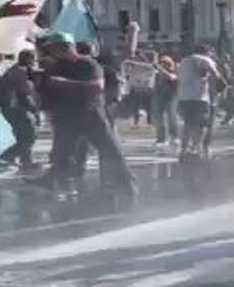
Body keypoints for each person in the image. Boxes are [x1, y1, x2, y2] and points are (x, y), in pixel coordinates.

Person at [27, 32, 134, 195]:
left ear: (66, 48)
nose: (52, 53)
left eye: (54, 49)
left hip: (91, 114)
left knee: (109, 150)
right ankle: (53, 180)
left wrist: (66, 84)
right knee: (61, 152)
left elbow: (97, 86)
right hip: (68, 115)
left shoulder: (88, 64)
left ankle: (127, 183)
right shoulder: (58, 66)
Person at [177, 45, 224, 160]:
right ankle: (196, 149)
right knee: (200, 124)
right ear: (206, 52)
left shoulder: (183, 61)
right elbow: (216, 76)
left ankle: (184, 150)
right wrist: (221, 88)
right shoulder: (206, 60)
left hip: (184, 98)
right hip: (199, 98)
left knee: (188, 124)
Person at [0, 50, 40, 172]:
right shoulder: (20, 73)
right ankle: (6, 157)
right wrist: (34, 111)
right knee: (29, 136)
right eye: (32, 59)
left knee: (22, 135)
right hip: (17, 108)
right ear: (28, 59)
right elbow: (25, 95)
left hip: (9, 108)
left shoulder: (13, 71)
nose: (34, 62)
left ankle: (26, 163)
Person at [151, 55, 179, 148]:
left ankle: (174, 137)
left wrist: (161, 69)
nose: (162, 65)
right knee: (159, 119)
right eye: (162, 63)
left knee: (172, 118)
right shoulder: (158, 73)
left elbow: (172, 78)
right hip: (159, 96)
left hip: (171, 97)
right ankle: (161, 138)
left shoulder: (174, 72)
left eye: (165, 64)